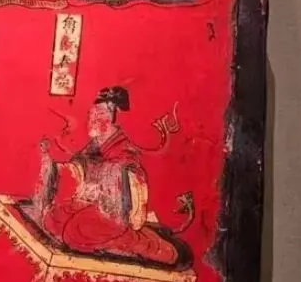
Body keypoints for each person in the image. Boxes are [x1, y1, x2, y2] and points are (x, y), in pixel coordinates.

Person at [33, 86, 186, 267]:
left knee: (75, 232)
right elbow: (79, 166)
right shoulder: (96, 143)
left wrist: (99, 181)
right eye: (91, 114)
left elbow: (123, 185)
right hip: (92, 203)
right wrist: (51, 162)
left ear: (112, 117)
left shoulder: (123, 149)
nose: (93, 120)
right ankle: (113, 239)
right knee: (52, 220)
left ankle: (146, 244)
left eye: (100, 114)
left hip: (113, 212)